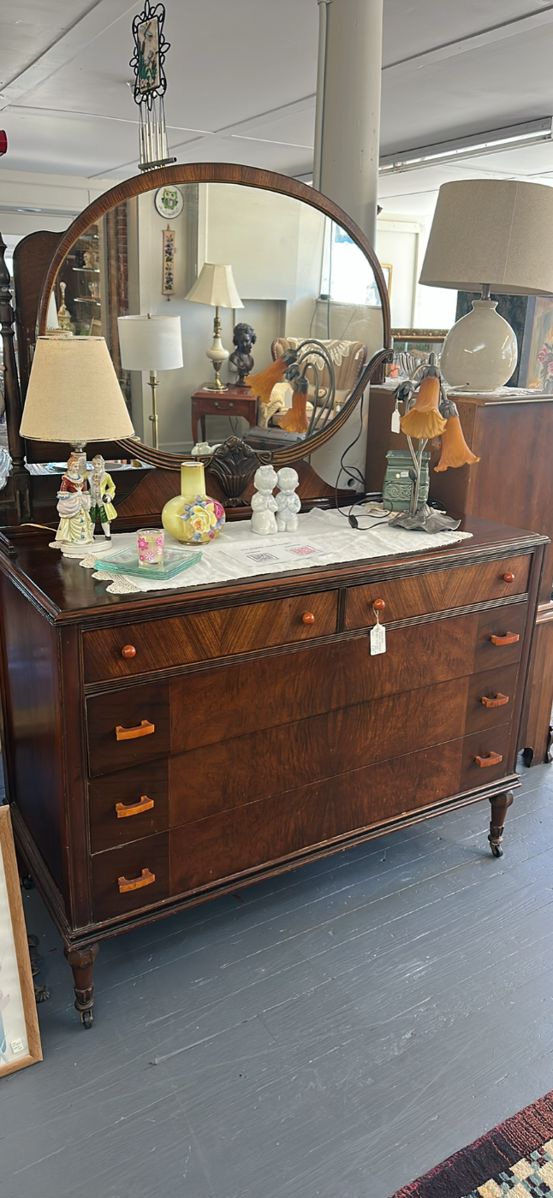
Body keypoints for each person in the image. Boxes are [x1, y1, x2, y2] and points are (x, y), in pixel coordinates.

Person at [55, 459, 94, 545]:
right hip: (72, 504)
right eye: (75, 466)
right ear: (70, 467)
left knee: (83, 519)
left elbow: (84, 490)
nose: (77, 468)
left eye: (78, 466)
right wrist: (75, 495)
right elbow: (63, 494)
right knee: (70, 520)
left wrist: (85, 496)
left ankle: (85, 539)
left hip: (81, 503)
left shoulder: (81, 478)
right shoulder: (66, 479)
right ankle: (69, 538)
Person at [89, 454, 117, 540]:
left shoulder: (106, 475)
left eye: (98, 464)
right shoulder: (90, 474)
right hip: (92, 499)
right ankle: (90, 535)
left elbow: (112, 486)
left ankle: (107, 535)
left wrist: (108, 495)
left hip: (101, 500)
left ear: (102, 464)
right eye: (94, 464)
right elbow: (81, 477)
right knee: (91, 518)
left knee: (104, 518)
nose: (96, 466)